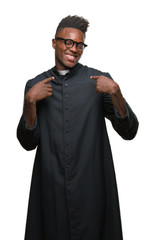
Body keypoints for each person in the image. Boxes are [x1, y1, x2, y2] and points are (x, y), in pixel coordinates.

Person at [16, 15, 138, 240]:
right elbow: (27, 143)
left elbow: (129, 131)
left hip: (92, 187)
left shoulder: (99, 81)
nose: (74, 49)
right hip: (51, 188)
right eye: (68, 42)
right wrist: (29, 102)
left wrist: (116, 92)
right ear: (54, 42)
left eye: (80, 44)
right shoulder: (35, 86)